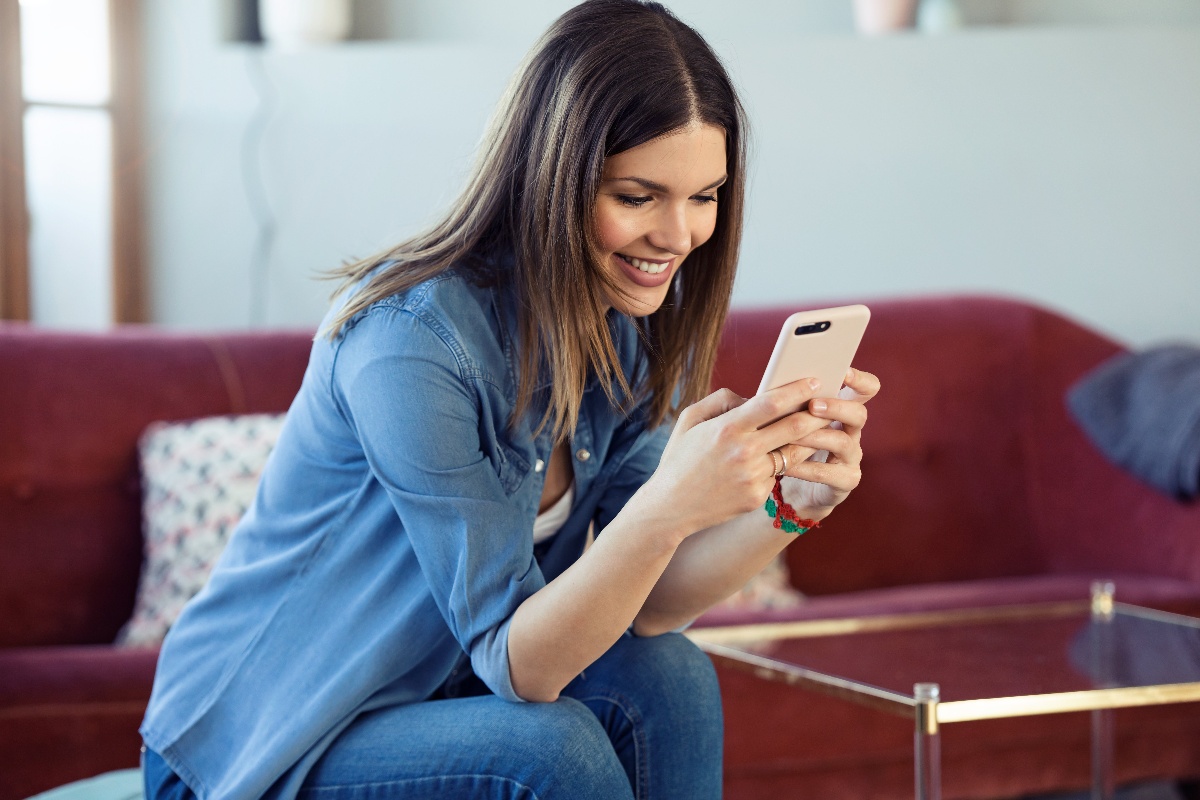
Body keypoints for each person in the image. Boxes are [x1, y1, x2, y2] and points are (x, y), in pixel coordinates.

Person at [140, 1, 880, 798]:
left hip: (445, 703)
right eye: (637, 196)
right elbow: (520, 664)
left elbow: (652, 608)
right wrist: (670, 504)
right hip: (268, 740)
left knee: (669, 674)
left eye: (705, 196)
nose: (678, 235)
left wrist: (788, 507)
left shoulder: (623, 333)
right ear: (550, 175)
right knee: (548, 750)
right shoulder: (411, 340)